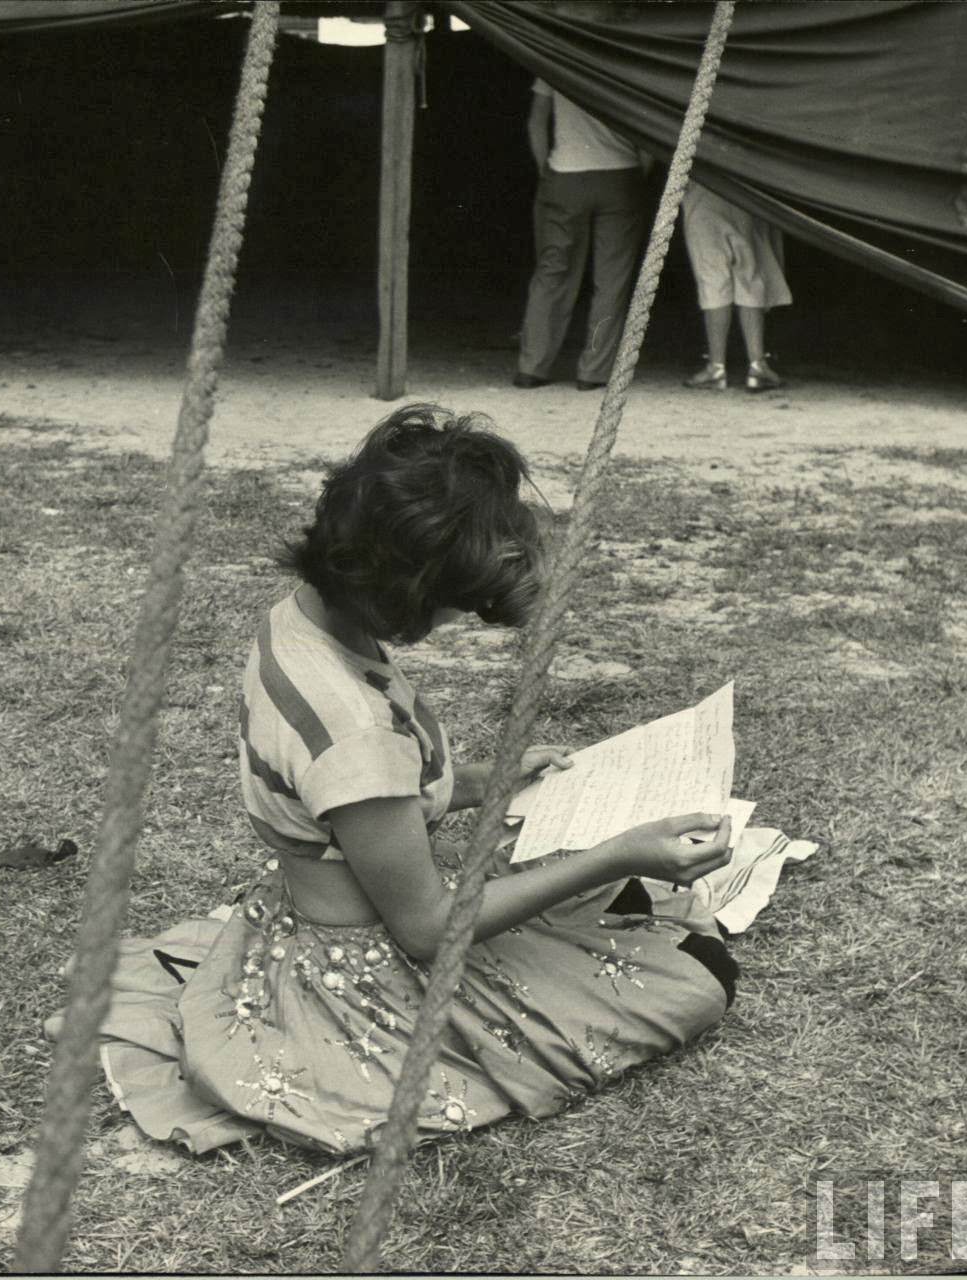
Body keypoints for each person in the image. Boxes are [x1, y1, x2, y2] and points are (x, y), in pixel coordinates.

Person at [75, 406, 737, 1155]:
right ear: (404, 591)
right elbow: (425, 931)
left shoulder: (299, 624)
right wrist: (618, 851)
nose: (457, 621)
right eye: (456, 606)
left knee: (636, 910)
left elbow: (347, 803)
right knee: (691, 973)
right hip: (363, 980)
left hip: (312, 918)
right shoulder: (353, 729)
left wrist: (488, 778)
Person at [514, 80, 652, 392]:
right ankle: (594, 371)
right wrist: (638, 171)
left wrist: (544, 169)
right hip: (620, 174)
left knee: (553, 271)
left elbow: (536, 121)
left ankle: (532, 367)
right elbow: (646, 127)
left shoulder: (553, 57)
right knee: (612, 278)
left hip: (565, 173)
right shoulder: (627, 64)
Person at [681, 180, 791, 392]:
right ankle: (758, 365)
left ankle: (716, 368)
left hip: (702, 188)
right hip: (743, 187)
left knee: (712, 278)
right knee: (750, 275)